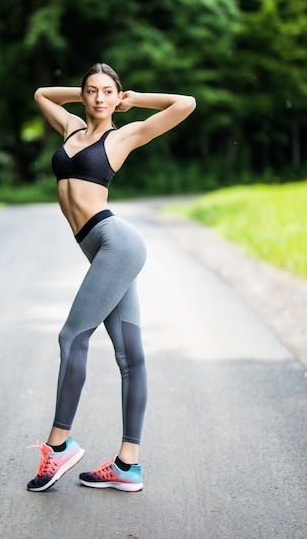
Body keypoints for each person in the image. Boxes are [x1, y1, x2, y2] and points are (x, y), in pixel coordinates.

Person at [27, 62, 196, 492]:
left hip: (116, 242)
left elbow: (186, 103)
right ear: (82, 96)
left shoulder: (123, 135)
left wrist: (133, 99)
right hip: (100, 248)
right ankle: (127, 465)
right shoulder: (69, 128)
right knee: (129, 356)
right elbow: (42, 94)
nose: (99, 99)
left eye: (107, 92)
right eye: (91, 91)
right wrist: (85, 90)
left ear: (117, 97)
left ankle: (59, 446)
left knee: (71, 336)